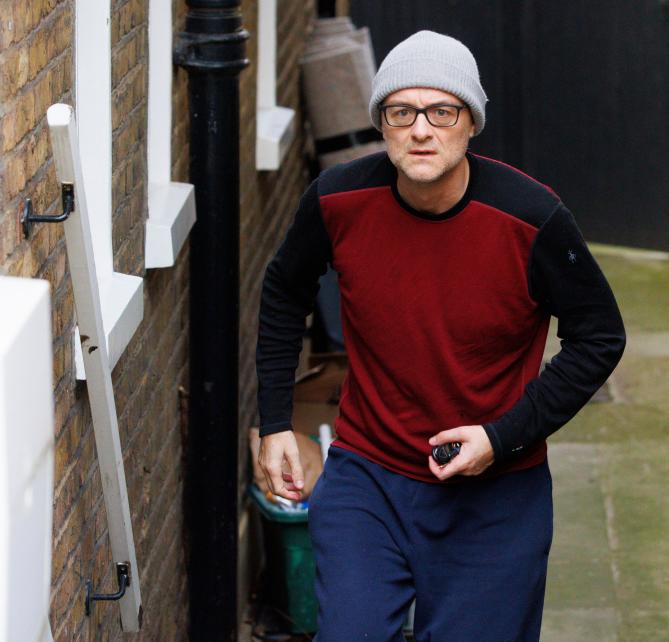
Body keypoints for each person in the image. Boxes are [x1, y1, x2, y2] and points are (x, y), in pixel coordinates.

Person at [255, 30, 625, 642]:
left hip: (495, 495)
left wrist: (500, 437)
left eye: (441, 111)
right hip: (368, 477)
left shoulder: (531, 219)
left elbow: (599, 338)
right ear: (382, 122)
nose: (421, 129)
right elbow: (282, 290)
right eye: (402, 112)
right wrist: (274, 423)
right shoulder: (337, 201)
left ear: (470, 123)